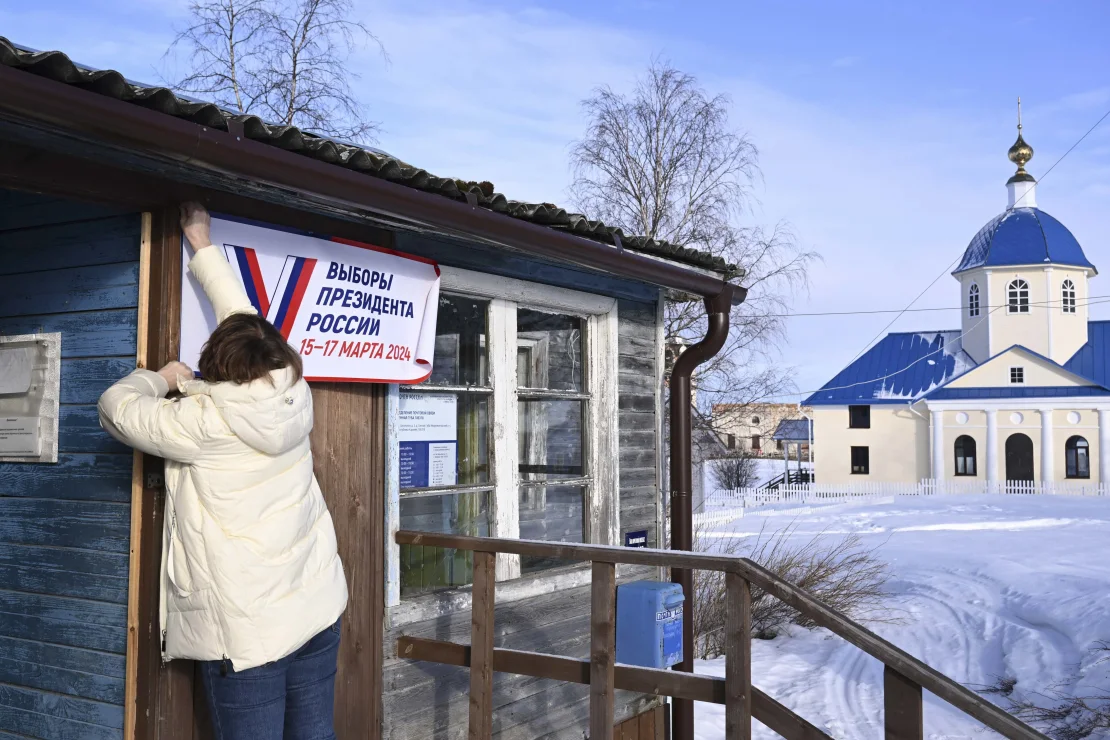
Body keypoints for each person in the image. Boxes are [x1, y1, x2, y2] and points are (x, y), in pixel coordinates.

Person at [98, 202, 348, 740]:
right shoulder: (290, 388)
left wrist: (160, 378)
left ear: (218, 362)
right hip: (317, 608)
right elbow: (242, 319)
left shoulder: (204, 422)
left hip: (248, 635)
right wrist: (201, 242)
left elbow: (115, 408)